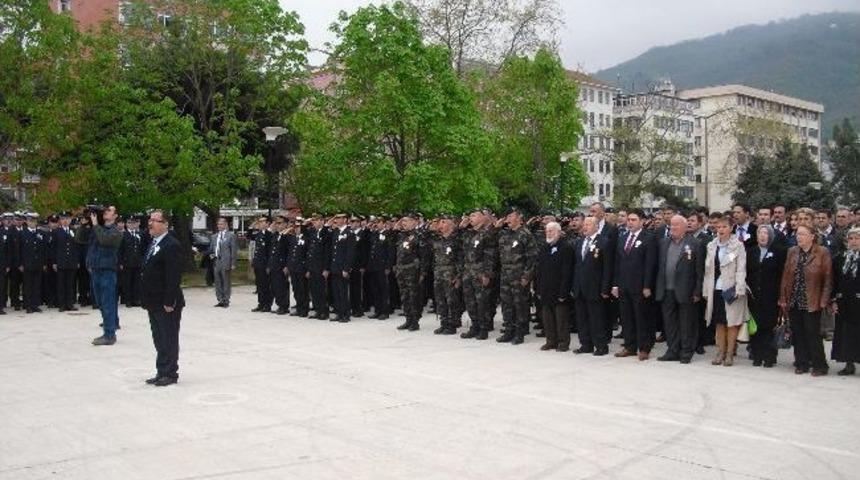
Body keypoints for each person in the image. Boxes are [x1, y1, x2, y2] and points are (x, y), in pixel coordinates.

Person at [779, 225, 832, 376]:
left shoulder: (822, 252)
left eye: (802, 234)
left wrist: (824, 300)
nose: (798, 237)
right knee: (798, 333)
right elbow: (786, 275)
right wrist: (783, 297)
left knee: (812, 333)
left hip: (812, 298)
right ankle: (801, 363)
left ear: (812, 236)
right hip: (794, 298)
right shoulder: (792, 251)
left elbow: (828, 278)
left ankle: (819, 365)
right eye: (797, 234)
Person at [141, 210, 185, 387]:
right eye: (150, 220)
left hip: (166, 302)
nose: (150, 223)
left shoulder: (171, 244)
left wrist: (169, 301)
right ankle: (161, 371)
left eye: (155, 220)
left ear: (165, 224)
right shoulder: (154, 243)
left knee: (169, 337)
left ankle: (170, 373)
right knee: (159, 338)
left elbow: (173, 276)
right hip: (153, 301)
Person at [655, 215, 705, 364]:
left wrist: (697, 291)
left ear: (684, 227)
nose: (673, 228)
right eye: (671, 225)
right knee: (670, 323)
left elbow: (699, 271)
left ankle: (686, 351)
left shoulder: (695, 244)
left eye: (676, 225)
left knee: (686, 323)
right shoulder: (664, 243)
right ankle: (672, 350)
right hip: (667, 290)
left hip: (686, 291)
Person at [703, 213, 748, 367]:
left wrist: (739, 288)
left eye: (724, 227)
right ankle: (720, 352)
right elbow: (708, 270)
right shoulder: (711, 245)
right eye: (718, 227)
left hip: (731, 289)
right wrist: (705, 290)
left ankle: (730, 354)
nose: (720, 229)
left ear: (731, 228)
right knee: (719, 322)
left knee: (732, 323)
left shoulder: (738, 245)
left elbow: (741, 269)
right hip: (715, 288)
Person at [612, 209, 657, 360]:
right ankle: (630, 346)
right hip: (624, 285)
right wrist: (615, 285)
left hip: (640, 286)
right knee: (626, 318)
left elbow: (650, 264)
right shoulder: (622, 237)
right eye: (629, 220)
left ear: (642, 221)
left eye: (634, 220)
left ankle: (644, 347)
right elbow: (617, 263)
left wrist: (647, 285)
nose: (630, 222)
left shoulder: (649, 238)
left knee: (642, 318)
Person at [571, 217, 612, 356]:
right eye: (584, 224)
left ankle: (601, 345)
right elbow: (576, 266)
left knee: (597, 318)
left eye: (588, 224)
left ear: (596, 226)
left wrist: (605, 288)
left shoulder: (604, 242)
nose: (585, 227)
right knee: (582, 318)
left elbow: (607, 268)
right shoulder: (580, 242)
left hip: (595, 287)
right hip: (580, 287)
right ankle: (585, 344)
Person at [746, 224, 786, 367]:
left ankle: (769, 356)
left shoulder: (779, 252)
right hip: (754, 296)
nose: (762, 236)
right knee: (755, 326)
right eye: (760, 233)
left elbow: (782, 275)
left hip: (771, 295)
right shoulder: (751, 252)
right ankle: (757, 355)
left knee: (769, 326)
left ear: (771, 236)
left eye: (766, 233)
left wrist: (781, 296)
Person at [496, 208, 537, 345]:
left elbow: (532, 257)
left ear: (519, 218)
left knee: (519, 305)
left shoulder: (525, 234)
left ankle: (520, 333)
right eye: (506, 216)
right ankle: (509, 331)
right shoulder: (504, 234)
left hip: (519, 276)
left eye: (510, 216)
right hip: (505, 275)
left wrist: (526, 276)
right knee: (506, 304)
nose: (507, 218)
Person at [88, 206, 123, 346]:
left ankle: (109, 334)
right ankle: (110, 327)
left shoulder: (116, 232)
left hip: (107, 271)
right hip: (96, 270)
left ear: (115, 216)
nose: (105, 213)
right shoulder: (98, 229)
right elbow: (83, 240)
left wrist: (96, 225)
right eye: (105, 211)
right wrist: (88, 224)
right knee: (100, 302)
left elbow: (104, 241)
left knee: (108, 302)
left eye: (109, 211)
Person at [535, 222, 573, 352]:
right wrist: (538, 288)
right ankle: (551, 341)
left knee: (561, 318)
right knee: (547, 318)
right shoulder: (544, 248)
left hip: (559, 290)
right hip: (545, 289)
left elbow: (567, 272)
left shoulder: (566, 247)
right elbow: (539, 270)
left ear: (558, 232)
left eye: (551, 231)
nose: (549, 233)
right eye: (547, 231)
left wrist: (564, 292)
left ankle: (563, 342)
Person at [830, 226, 860, 376]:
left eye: (857, 238)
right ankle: (849, 363)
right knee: (846, 333)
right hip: (844, 301)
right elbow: (834, 281)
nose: (854, 242)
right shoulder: (840, 258)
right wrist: (833, 300)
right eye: (851, 238)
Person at [430, 215, 461, 334]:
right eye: (440, 222)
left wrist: (458, 276)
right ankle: (443, 323)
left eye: (443, 222)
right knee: (440, 299)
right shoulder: (437, 239)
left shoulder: (456, 240)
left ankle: (452, 325)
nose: (440, 224)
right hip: (438, 273)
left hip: (450, 274)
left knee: (451, 300)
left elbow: (460, 259)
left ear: (451, 224)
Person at [329, 213, 356, 323]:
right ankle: (339, 313)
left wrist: (346, 268)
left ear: (345, 220)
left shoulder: (349, 233)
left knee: (343, 291)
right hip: (335, 266)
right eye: (336, 218)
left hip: (342, 267)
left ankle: (345, 314)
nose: (337, 220)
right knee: (336, 291)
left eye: (339, 218)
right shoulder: (336, 232)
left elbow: (350, 253)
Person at [207, 217, 238, 308]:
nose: (219, 226)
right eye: (218, 224)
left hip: (226, 261)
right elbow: (212, 249)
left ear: (225, 225)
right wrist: (211, 256)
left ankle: (226, 300)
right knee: (217, 281)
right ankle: (220, 299)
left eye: (221, 224)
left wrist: (233, 263)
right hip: (216, 261)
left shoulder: (231, 236)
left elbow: (233, 250)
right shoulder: (214, 236)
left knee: (226, 281)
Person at [53, 212, 80, 312]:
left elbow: (76, 248)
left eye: (67, 219)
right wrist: (54, 262)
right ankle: (62, 304)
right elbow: (54, 248)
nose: (65, 221)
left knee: (70, 284)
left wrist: (77, 260)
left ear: (70, 220)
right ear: (60, 220)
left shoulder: (74, 231)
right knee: (61, 284)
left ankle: (70, 303)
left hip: (71, 261)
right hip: (61, 261)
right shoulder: (56, 232)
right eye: (63, 219)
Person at [20, 213, 47, 314]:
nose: (33, 223)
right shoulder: (22, 233)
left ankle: (35, 305)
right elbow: (19, 250)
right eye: (31, 221)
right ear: (27, 222)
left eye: (34, 221)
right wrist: (21, 264)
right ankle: (28, 306)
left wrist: (44, 263)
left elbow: (43, 249)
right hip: (27, 264)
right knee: (28, 286)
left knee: (37, 285)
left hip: (38, 263)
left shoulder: (40, 233)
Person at [118, 216, 144, 308]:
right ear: (127, 224)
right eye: (129, 223)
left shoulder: (139, 234)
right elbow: (120, 250)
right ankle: (128, 300)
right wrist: (120, 262)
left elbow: (142, 248)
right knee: (127, 282)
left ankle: (136, 299)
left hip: (137, 261)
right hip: (127, 262)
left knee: (137, 281)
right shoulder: (123, 235)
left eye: (133, 223)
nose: (131, 225)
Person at [250, 217, 273, 312]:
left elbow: (270, 252)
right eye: (260, 222)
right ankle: (261, 303)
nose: (261, 223)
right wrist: (253, 224)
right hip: (258, 264)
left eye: (263, 222)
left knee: (266, 285)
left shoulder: (269, 235)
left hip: (265, 264)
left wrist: (268, 265)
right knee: (259, 285)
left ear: (268, 224)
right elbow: (249, 235)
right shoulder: (258, 234)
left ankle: (267, 305)